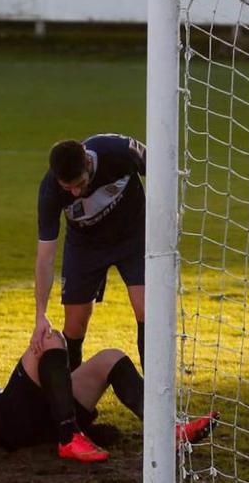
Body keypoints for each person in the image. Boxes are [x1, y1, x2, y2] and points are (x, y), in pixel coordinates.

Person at [0, 331, 219, 457]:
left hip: (27, 413)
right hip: (4, 422)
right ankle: (70, 436)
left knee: (110, 359)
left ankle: (167, 430)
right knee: (46, 341)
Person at [33, 134, 148, 371]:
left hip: (134, 239)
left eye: (80, 183)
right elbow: (45, 258)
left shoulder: (118, 150)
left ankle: (156, 397)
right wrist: (40, 314)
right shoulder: (50, 191)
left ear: (87, 161)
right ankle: (73, 396)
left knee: (147, 312)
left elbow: (162, 170)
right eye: (68, 187)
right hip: (85, 247)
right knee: (75, 326)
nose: (75, 192)